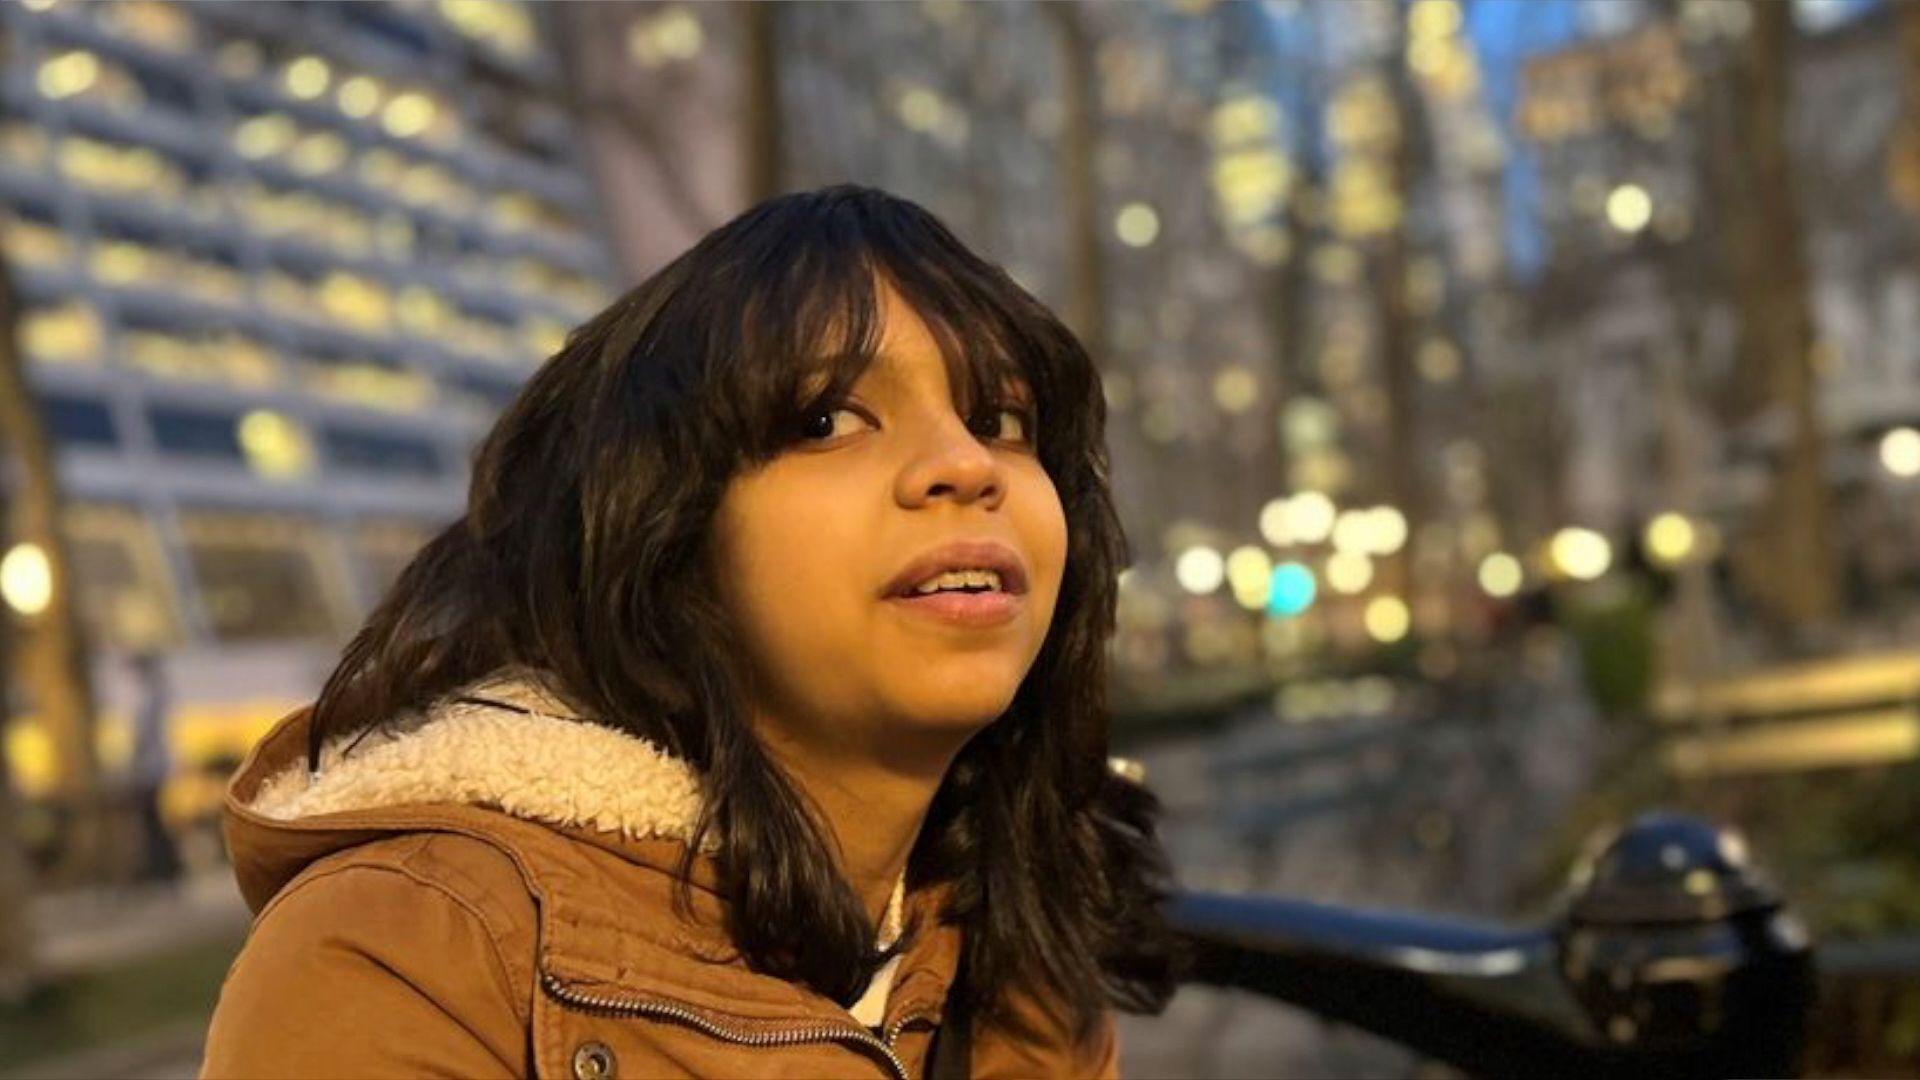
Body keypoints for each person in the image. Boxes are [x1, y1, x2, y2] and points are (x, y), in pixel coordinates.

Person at [198, 185, 1180, 1078]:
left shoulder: (1024, 963)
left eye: (1003, 418)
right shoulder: (405, 955)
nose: (968, 466)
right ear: (660, 535)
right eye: (829, 418)